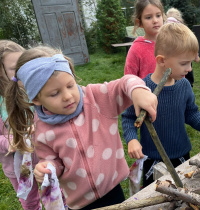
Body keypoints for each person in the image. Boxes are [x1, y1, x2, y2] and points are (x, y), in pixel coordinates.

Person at [5, 46, 158, 209]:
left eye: (70, 85)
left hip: (112, 189)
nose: (67, 96)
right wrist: (48, 168)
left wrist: (138, 91)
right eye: (54, 93)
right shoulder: (42, 129)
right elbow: (54, 161)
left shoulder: (96, 99)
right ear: (36, 99)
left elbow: (125, 83)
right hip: (79, 203)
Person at [122, 23, 200, 188]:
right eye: (184, 63)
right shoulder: (142, 89)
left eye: (191, 63)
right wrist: (132, 139)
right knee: (155, 198)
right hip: (153, 158)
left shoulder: (184, 85)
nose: (189, 69)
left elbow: (191, 113)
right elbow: (128, 117)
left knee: (182, 192)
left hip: (181, 155)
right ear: (162, 61)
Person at [0, 40, 41, 210]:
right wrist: (12, 141)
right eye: (14, 68)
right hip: (17, 167)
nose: (22, 71)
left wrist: (39, 125)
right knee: (30, 203)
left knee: (56, 194)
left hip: (44, 158)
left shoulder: (33, 89)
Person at [124, 0, 164, 79]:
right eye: (148, 17)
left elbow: (179, 70)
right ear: (140, 22)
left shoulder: (170, 43)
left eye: (158, 15)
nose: (155, 21)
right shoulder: (136, 49)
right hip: (145, 91)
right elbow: (128, 80)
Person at [166, 7, 200, 87]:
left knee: (188, 72)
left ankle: (189, 85)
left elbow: (191, 43)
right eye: (169, 19)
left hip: (186, 57)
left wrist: (196, 55)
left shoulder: (183, 30)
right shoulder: (168, 32)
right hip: (177, 59)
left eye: (174, 19)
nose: (171, 22)